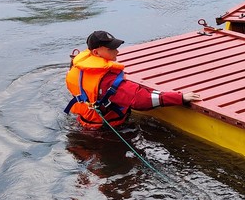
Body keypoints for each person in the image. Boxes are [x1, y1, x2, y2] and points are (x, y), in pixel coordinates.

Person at [65, 30, 199, 131]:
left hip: (83, 122)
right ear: (95, 53)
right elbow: (142, 99)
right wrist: (179, 98)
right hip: (108, 129)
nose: (117, 51)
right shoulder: (108, 81)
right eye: (111, 49)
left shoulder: (77, 67)